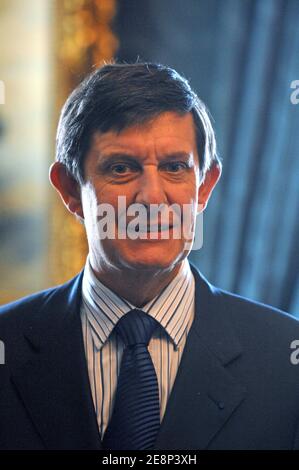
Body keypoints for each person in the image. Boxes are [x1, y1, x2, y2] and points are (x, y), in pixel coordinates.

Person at [0, 62, 299, 451]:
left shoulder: (285, 361)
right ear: (71, 189)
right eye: (121, 168)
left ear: (204, 187)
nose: (152, 199)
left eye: (175, 168)